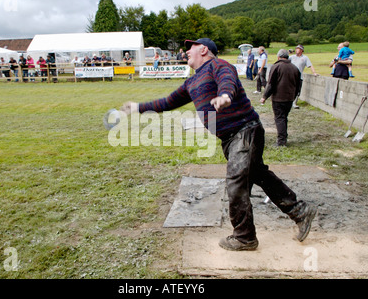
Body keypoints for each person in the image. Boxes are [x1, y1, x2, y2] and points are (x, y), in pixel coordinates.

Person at [121, 38, 317, 251]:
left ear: (204, 49)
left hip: (245, 131)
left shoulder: (219, 65)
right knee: (258, 175)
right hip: (231, 138)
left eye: (191, 47)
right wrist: (138, 107)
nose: (186, 51)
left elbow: (227, 81)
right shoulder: (191, 82)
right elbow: (167, 102)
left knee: (236, 183)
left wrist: (225, 96)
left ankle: (245, 237)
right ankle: (300, 211)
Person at [260, 49, 302, 147]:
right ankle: (284, 137)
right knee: (283, 118)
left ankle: (281, 141)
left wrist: (264, 96)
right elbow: (298, 85)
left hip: (279, 98)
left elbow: (271, 84)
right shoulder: (295, 68)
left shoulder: (276, 66)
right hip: (290, 98)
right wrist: (294, 96)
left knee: (279, 118)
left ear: (278, 57)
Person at [289, 45, 318, 109]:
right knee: (290, 89)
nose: (296, 50)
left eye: (298, 49)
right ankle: (289, 101)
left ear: (301, 50)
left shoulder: (305, 58)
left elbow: (310, 65)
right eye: (296, 49)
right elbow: (283, 59)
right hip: (291, 76)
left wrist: (314, 73)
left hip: (299, 76)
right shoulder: (291, 57)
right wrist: (288, 53)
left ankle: (294, 102)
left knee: (297, 90)